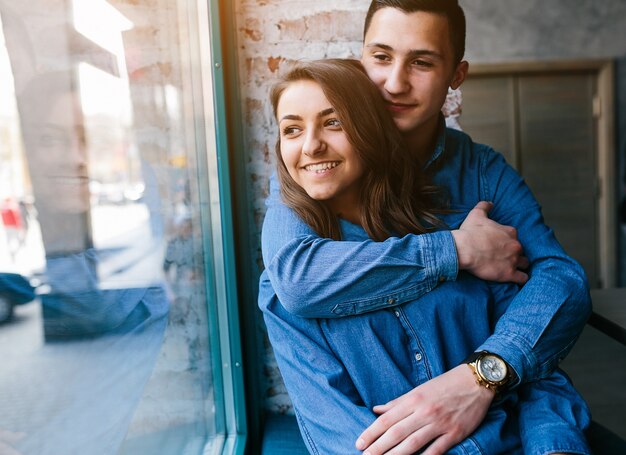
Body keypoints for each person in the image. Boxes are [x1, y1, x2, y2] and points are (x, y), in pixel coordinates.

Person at [259, 1, 591, 453]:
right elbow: (296, 282)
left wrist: (482, 374)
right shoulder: (316, 175)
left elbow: (557, 285)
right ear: (362, 59)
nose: (395, 83)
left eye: (421, 62)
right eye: (380, 57)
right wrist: (458, 249)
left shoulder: (481, 177)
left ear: (456, 75)